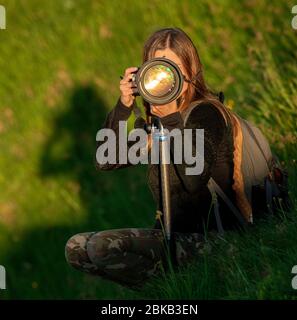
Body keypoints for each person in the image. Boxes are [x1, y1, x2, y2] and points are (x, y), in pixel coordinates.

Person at [65, 27, 250, 289]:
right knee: (77, 249)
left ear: (189, 71)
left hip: (216, 240)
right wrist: (124, 106)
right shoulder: (155, 126)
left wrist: (171, 118)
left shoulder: (207, 113)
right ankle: (170, 290)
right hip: (172, 237)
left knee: (101, 247)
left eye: (171, 67)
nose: (164, 78)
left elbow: (194, 178)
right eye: (156, 67)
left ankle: (180, 287)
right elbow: (105, 159)